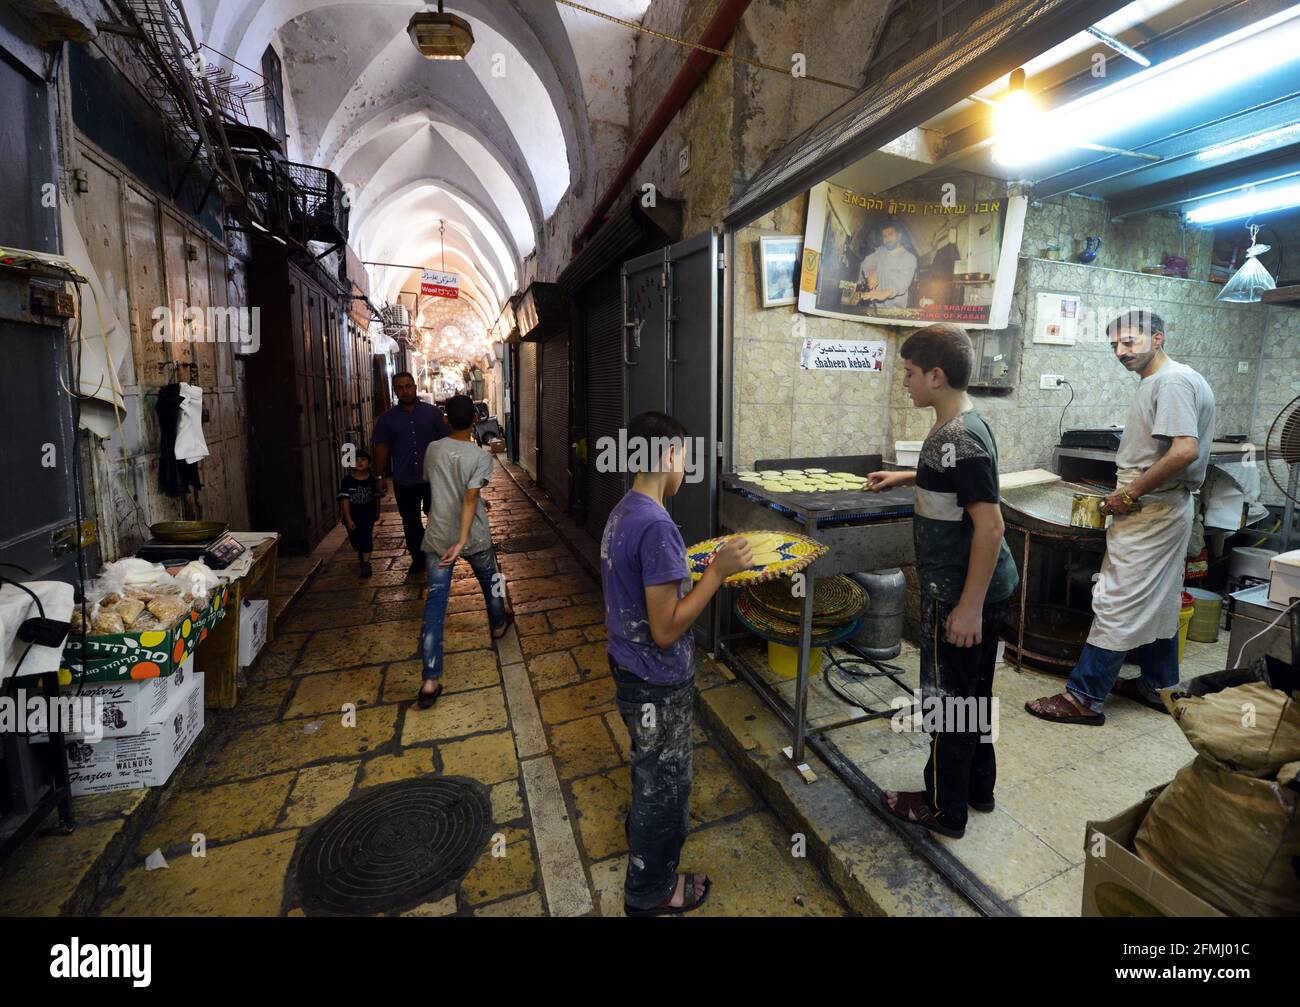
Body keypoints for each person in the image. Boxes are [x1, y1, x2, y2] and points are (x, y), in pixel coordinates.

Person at [866, 323, 1019, 839]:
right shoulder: (962, 423)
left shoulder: (959, 437)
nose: (904, 382)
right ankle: (978, 787)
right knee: (973, 693)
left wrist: (968, 608)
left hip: (961, 593)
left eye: (909, 374)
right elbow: (959, 483)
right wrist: (909, 476)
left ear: (935, 375)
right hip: (978, 590)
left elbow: (991, 526)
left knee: (948, 702)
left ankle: (942, 808)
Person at [1027, 310, 1215, 725]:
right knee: (1160, 599)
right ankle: (1159, 686)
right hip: (1167, 506)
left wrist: (1128, 492)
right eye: (1115, 344)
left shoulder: (1170, 381)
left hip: (1151, 509)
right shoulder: (1171, 379)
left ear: (1158, 339)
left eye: (1130, 341)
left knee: (1117, 599)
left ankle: (1084, 698)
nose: (1121, 351)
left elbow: (1184, 450)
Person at [601, 411, 752, 916]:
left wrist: (691, 569)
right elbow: (666, 629)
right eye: (684, 455)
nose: (686, 465)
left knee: (649, 769)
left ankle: (641, 839)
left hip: (628, 669)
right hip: (656, 681)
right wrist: (718, 574)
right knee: (666, 786)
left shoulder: (624, 511)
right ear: (667, 456)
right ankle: (651, 891)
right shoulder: (658, 525)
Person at [417, 395, 513, 709]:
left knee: (435, 605)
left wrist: (453, 533)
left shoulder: (433, 449)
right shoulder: (479, 456)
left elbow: (440, 486)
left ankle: (430, 680)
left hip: (437, 534)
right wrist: (460, 541)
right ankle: (498, 625)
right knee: (491, 582)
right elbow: (469, 497)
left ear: (446, 420)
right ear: (475, 420)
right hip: (469, 535)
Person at [373, 371, 451, 577]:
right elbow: (381, 446)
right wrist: (379, 476)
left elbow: (446, 443)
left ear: (415, 387)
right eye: (400, 387)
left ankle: (437, 553)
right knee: (410, 521)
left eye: (408, 386)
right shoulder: (387, 419)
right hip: (404, 479)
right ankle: (418, 558)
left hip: (433, 478)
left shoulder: (433, 414)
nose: (405, 391)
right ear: (395, 390)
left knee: (437, 517)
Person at [337, 448, 379, 578]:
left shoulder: (372, 480)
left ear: (369, 463)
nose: (359, 462)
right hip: (353, 516)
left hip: (367, 515)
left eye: (363, 460)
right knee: (355, 540)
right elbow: (345, 500)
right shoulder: (347, 481)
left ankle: (366, 564)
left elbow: (376, 498)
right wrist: (348, 518)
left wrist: (377, 512)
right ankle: (361, 551)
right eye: (356, 460)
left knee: (366, 538)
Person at [858, 220, 918, 309]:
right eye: (884, 236)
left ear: (899, 236)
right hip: (874, 307)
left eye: (890, 234)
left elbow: (902, 283)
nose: (887, 238)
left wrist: (885, 293)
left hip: (895, 310)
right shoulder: (880, 251)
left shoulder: (909, 258)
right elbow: (866, 263)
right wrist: (871, 272)